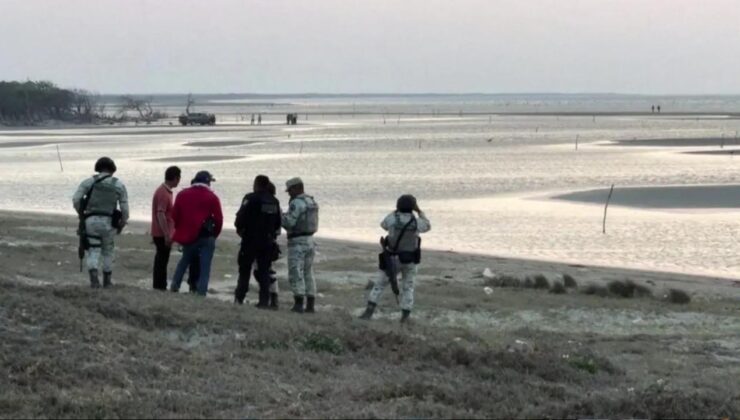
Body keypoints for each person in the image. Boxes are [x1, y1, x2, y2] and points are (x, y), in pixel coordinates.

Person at [360, 194, 431, 323]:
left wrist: (396, 211)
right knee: (408, 287)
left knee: (379, 285)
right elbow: (427, 226)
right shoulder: (417, 222)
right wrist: (419, 211)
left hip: (392, 258)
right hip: (410, 259)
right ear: (413, 207)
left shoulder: (392, 218)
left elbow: (383, 224)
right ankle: (405, 316)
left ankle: (368, 312)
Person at [72, 157, 129, 288]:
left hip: (91, 220)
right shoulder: (119, 185)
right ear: (112, 169)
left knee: (93, 250)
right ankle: (107, 281)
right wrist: (122, 223)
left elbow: (76, 199)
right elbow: (125, 209)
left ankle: (94, 280)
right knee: (108, 251)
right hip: (109, 222)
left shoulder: (89, 182)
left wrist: (81, 214)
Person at [169, 171, 223, 296]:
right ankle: (201, 292)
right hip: (206, 235)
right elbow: (219, 219)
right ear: (207, 182)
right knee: (205, 267)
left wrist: (181, 230)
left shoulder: (182, 195)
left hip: (189, 235)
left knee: (184, 262)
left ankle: (174, 286)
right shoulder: (212, 197)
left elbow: (175, 216)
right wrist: (215, 235)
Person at [234, 175, 282, 308]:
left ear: (256, 184)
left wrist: (239, 228)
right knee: (264, 271)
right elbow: (278, 222)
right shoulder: (274, 201)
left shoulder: (250, 198)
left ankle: (240, 298)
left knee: (244, 270)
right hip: (267, 241)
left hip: (250, 239)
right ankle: (264, 301)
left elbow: (240, 218)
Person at [282, 177, 319, 313]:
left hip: (297, 241)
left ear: (297, 188)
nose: (289, 193)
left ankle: (298, 303)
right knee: (308, 272)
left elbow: (289, 222)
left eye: (290, 190)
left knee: (295, 272)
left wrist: (280, 215)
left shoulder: (297, 203)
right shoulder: (311, 201)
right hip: (310, 240)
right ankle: (310, 304)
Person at [151, 166, 181, 290]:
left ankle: (160, 285)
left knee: (162, 260)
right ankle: (159, 286)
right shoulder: (163, 192)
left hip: (162, 232)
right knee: (161, 261)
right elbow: (160, 213)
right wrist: (167, 234)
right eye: (178, 178)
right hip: (161, 233)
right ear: (175, 178)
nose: (179, 181)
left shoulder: (166, 191)